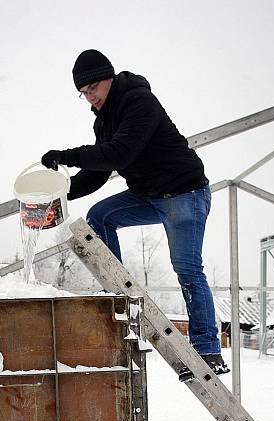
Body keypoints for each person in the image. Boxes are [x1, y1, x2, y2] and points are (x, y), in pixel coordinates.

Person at [41, 49, 229, 377]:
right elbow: (98, 173)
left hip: (185, 194)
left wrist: (67, 154)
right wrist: (60, 192)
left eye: (92, 89)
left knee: (186, 268)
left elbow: (119, 153)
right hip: (148, 196)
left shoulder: (139, 101)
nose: (89, 98)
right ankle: (121, 293)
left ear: (109, 78)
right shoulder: (103, 121)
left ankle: (208, 349)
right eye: (82, 93)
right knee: (100, 216)